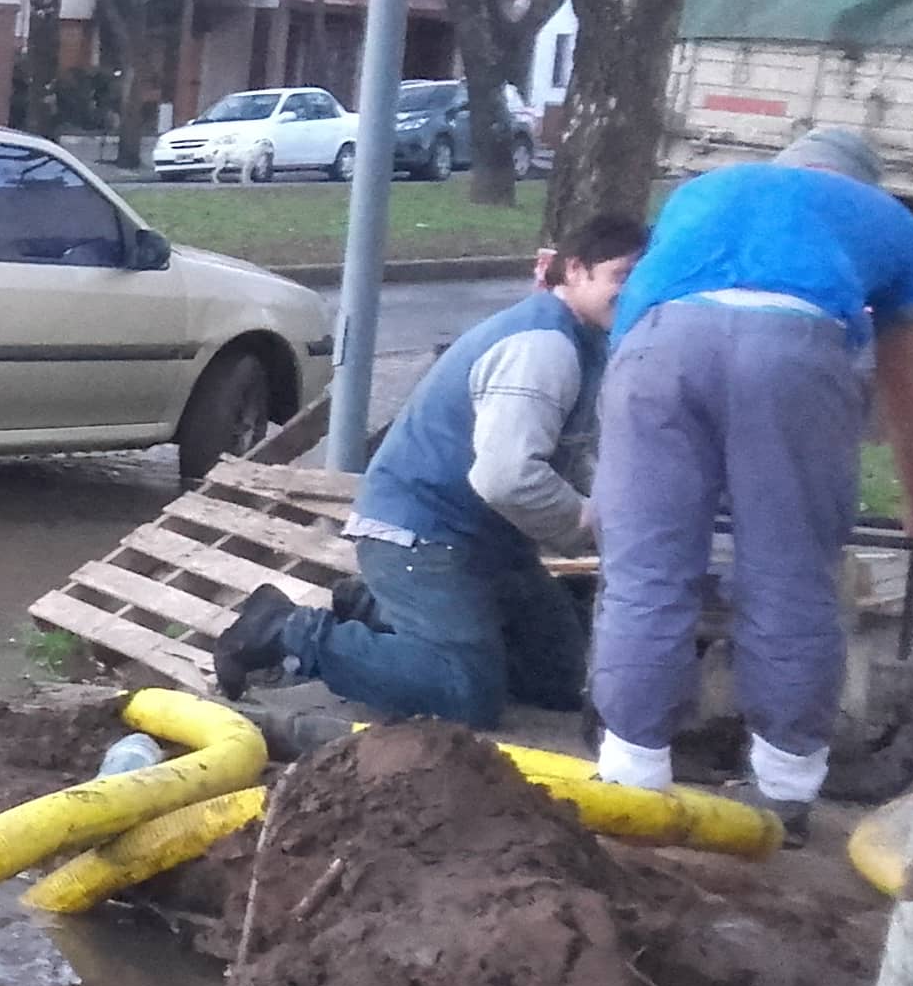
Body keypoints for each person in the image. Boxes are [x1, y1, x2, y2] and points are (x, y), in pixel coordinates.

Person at [590, 126, 913, 837]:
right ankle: (783, 794)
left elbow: (635, 325)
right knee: (789, 575)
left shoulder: (703, 191)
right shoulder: (892, 224)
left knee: (646, 575)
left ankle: (631, 781)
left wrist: (610, 487)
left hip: (654, 353)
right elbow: (909, 384)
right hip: (793, 351)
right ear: (861, 184)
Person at [210, 215, 647, 726]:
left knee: (558, 679)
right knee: (466, 693)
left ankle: (375, 612)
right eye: (622, 274)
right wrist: (585, 524)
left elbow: (571, 454)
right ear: (575, 270)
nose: (634, 290)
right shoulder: (542, 347)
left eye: (645, 277)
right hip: (421, 534)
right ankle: (285, 631)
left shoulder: (585, 340)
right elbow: (506, 477)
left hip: (487, 542)